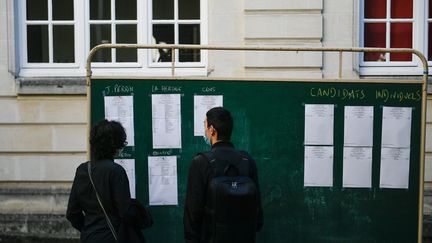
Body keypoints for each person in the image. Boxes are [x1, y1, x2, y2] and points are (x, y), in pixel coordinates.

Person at [184, 107, 263, 243]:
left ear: (212, 130)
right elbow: (258, 217)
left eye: (205, 126)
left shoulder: (201, 162)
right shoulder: (247, 161)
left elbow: (193, 215)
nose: (205, 131)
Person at [66, 119, 146, 243]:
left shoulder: (82, 170)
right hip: (112, 237)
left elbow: (72, 213)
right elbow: (125, 212)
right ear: (115, 145)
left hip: (89, 237)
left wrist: (89, 229)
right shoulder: (116, 171)